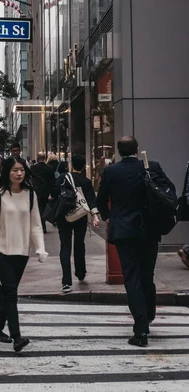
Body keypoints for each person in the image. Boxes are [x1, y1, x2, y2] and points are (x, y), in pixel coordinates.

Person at [97, 136, 176, 347]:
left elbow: (101, 200)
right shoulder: (152, 167)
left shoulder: (111, 171)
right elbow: (168, 191)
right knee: (147, 274)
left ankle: (141, 328)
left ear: (119, 151)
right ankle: (148, 313)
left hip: (124, 231)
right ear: (137, 148)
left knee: (131, 278)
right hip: (149, 230)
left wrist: (109, 216)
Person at [0, 156, 48, 352]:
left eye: (22, 170)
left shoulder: (30, 195)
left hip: (22, 252)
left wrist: (40, 248)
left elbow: (36, 224)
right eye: (14, 170)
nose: (19, 173)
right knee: (11, 294)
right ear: (6, 172)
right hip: (2, 251)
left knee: (6, 292)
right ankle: (17, 336)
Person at [56, 155, 100, 293]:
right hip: (80, 216)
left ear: (71, 164)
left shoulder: (62, 178)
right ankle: (80, 272)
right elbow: (91, 199)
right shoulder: (86, 181)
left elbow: (53, 193)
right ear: (83, 166)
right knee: (79, 244)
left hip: (64, 216)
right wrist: (95, 216)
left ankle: (66, 281)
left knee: (65, 246)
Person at [31, 152, 55, 233]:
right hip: (46, 191)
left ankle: (41, 225)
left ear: (37, 158)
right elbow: (52, 181)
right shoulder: (49, 168)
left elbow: (31, 179)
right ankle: (43, 224)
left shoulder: (33, 167)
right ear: (44, 158)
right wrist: (52, 192)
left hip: (36, 190)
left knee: (38, 208)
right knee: (44, 208)